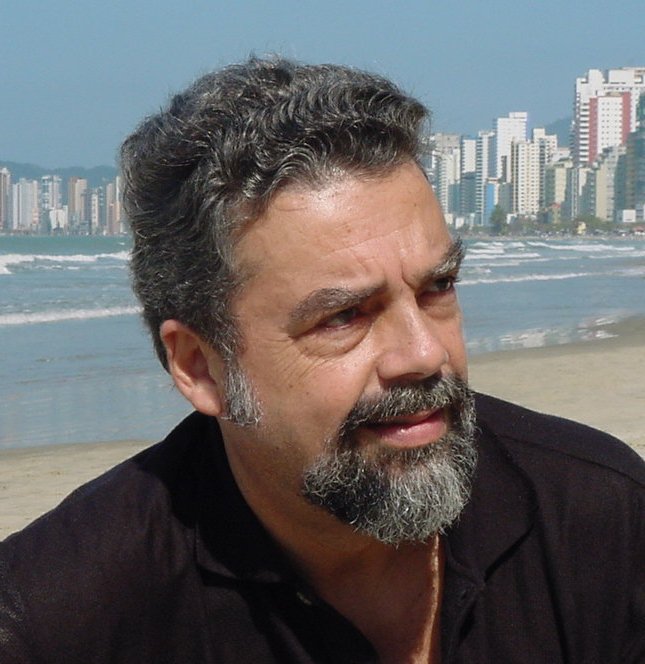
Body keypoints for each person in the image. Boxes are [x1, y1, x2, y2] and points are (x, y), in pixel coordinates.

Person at [0, 57, 643, 664]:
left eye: (437, 288)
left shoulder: (597, 522)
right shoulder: (58, 623)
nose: (425, 354)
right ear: (200, 367)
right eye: (344, 317)